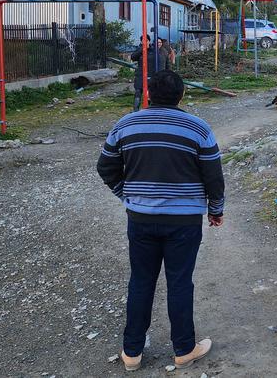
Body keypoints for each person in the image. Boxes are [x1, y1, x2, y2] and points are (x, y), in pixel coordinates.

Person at [97, 70, 225, 371]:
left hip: (140, 219)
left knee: (141, 281)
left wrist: (126, 195)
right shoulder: (199, 128)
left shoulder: (125, 125)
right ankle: (183, 349)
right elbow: (213, 177)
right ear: (182, 95)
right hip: (184, 222)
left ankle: (132, 353)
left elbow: (106, 167)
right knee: (180, 282)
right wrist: (216, 209)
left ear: (148, 95)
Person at [131, 36, 170, 111]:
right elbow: (133, 57)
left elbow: (164, 63)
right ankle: (135, 110)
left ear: (149, 41)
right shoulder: (139, 49)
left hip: (151, 75)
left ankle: (151, 109)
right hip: (141, 75)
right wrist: (143, 49)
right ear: (141, 42)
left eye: (146, 40)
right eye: (143, 41)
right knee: (138, 91)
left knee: (150, 93)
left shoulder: (154, 50)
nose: (145, 42)